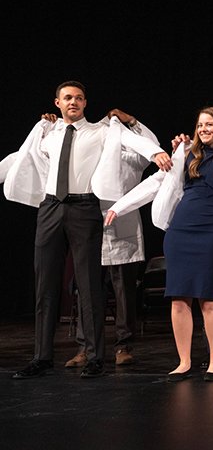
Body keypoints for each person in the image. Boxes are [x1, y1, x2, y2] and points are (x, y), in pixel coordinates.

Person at [3, 81, 170, 380]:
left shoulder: (101, 131)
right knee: (45, 284)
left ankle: (95, 357)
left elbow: (133, 143)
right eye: (68, 98)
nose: (73, 102)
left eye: (79, 98)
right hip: (51, 208)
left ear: (85, 103)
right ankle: (41, 357)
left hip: (84, 208)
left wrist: (156, 152)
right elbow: (21, 158)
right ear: (57, 102)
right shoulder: (47, 133)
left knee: (89, 283)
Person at [106, 106, 213, 382]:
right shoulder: (186, 153)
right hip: (181, 229)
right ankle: (184, 361)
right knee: (179, 297)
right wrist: (120, 206)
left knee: (209, 297)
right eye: (200, 125)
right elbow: (156, 182)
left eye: (209, 124)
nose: (203, 129)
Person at [66, 113, 161, 369]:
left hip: (123, 227)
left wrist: (132, 122)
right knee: (87, 291)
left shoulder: (132, 155)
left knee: (124, 293)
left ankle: (123, 346)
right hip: (91, 226)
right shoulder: (91, 151)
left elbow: (150, 143)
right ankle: (85, 348)